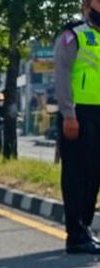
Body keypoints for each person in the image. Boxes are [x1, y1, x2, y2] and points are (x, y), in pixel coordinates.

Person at [54, 0, 100, 254]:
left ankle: (84, 228)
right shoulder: (74, 34)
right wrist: (68, 114)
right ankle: (75, 234)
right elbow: (61, 74)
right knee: (76, 174)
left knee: (94, 173)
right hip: (78, 113)